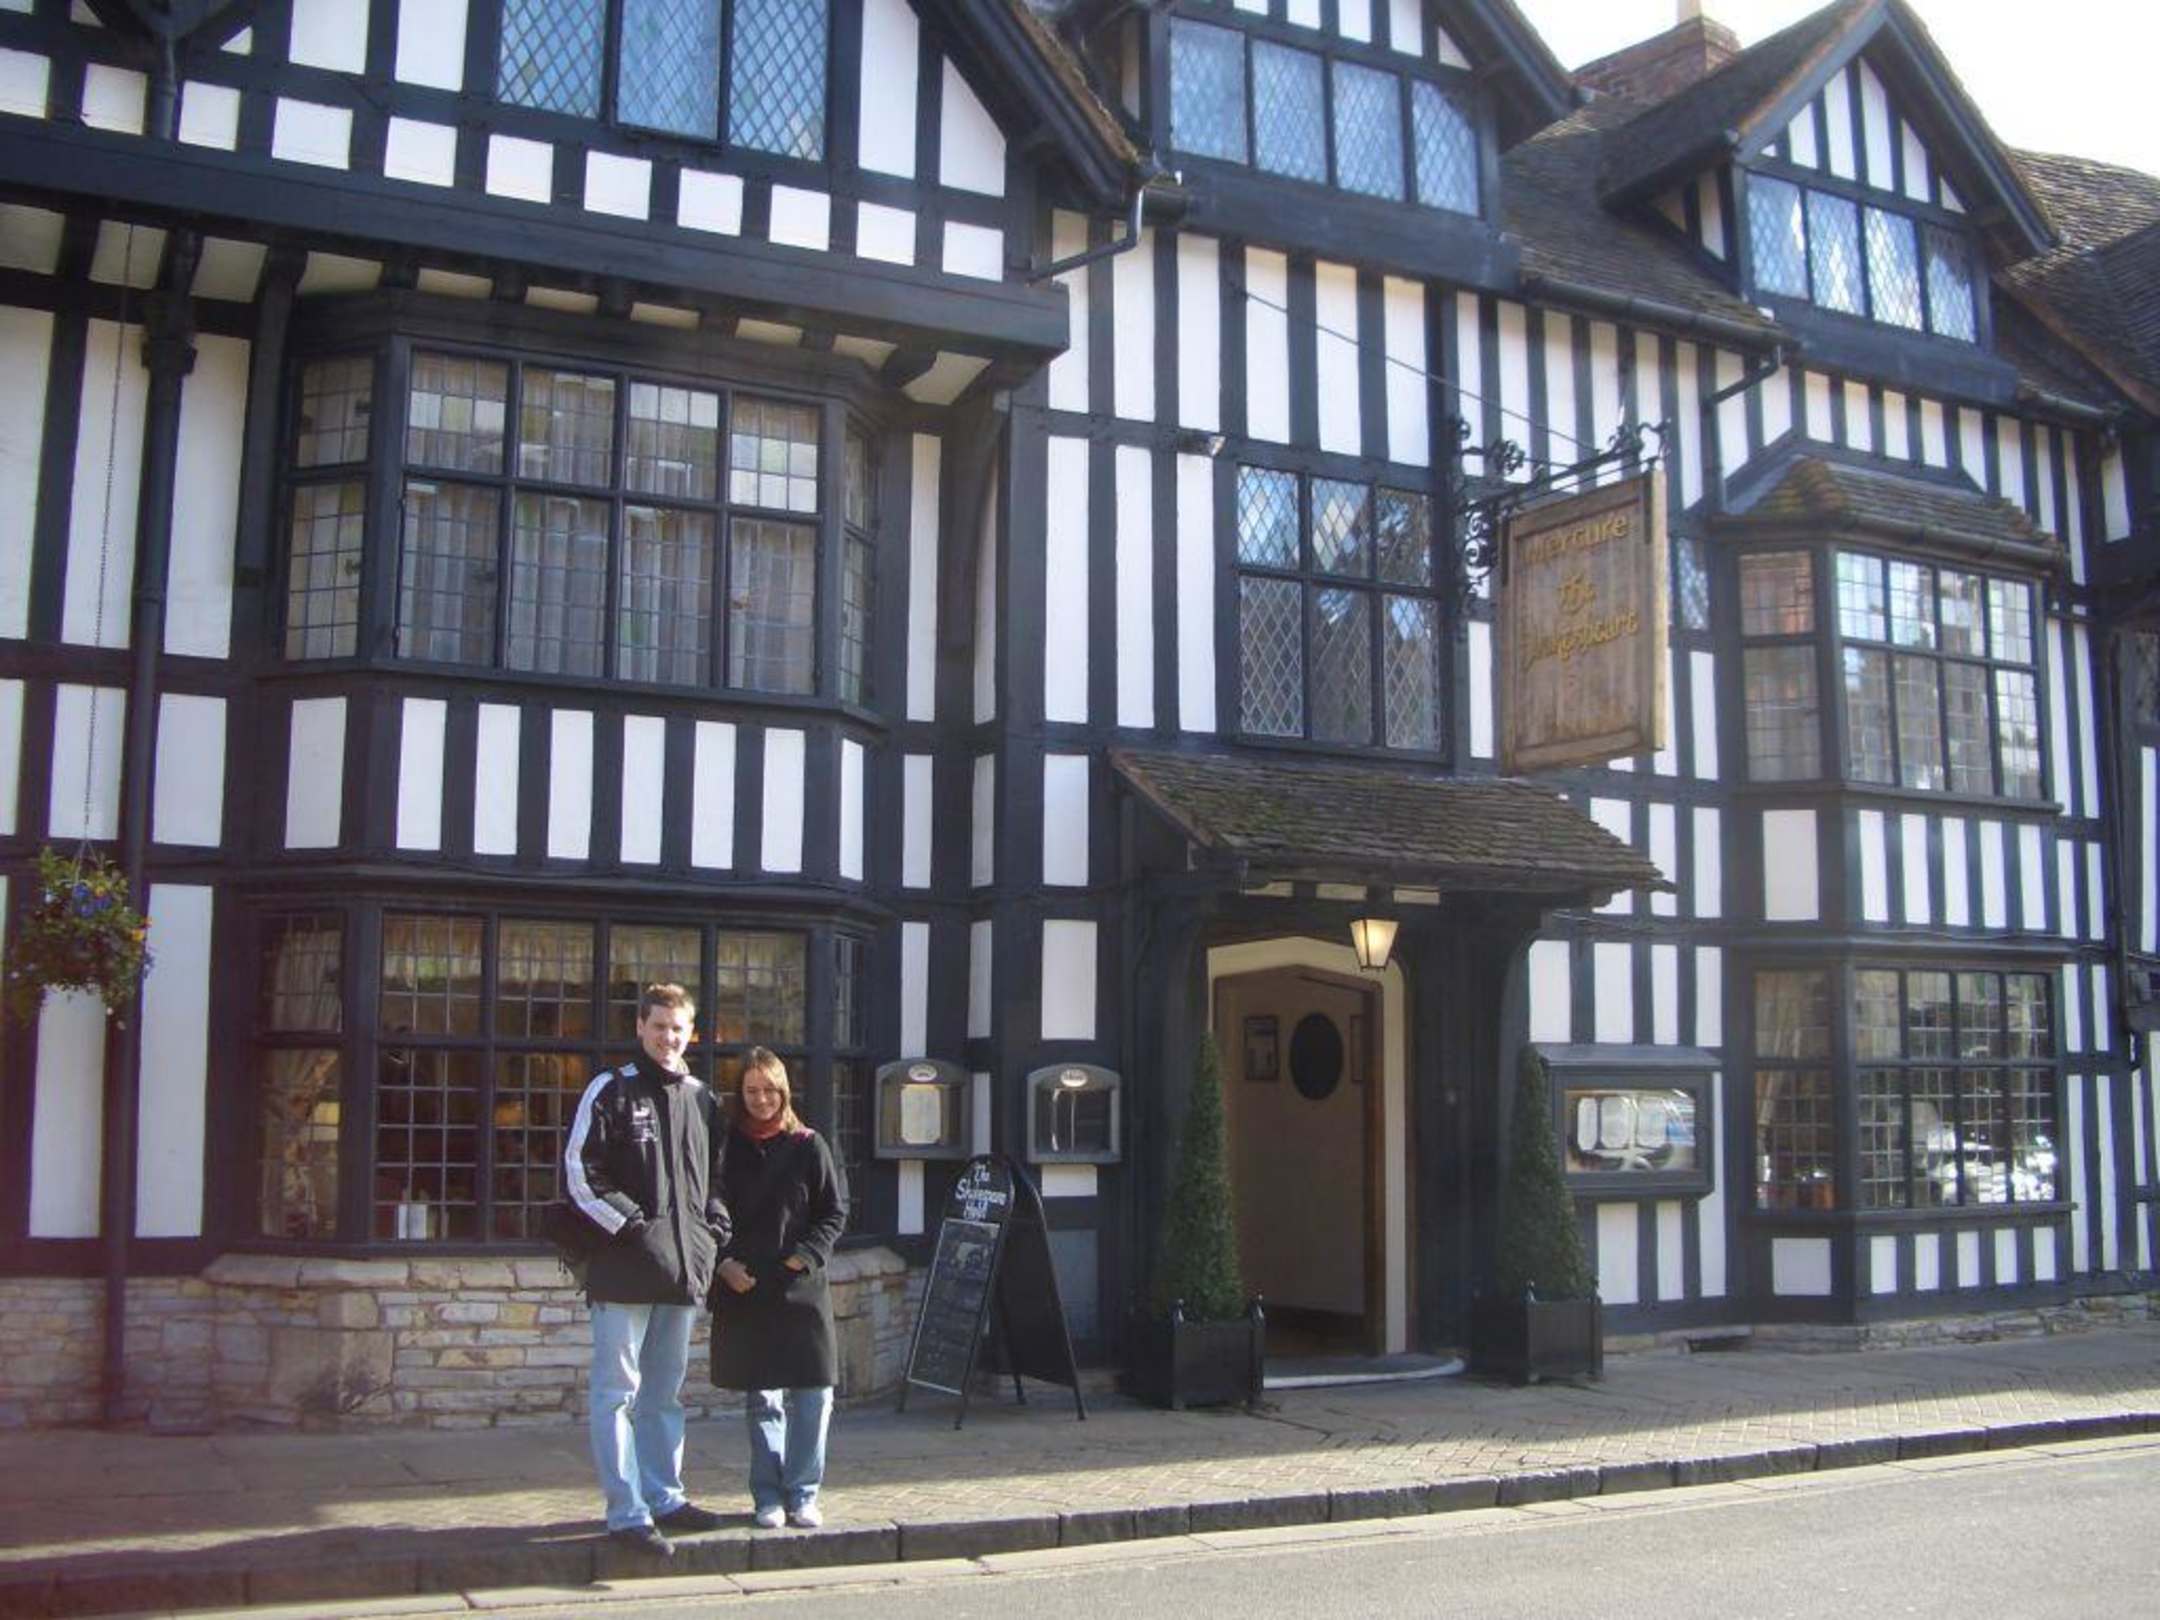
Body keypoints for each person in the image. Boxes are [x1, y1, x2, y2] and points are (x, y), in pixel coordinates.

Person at [564, 982, 730, 1556]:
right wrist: (635, 1228)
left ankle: (665, 1498)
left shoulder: (703, 1099)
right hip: (623, 1270)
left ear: (692, 1033)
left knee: (665, 1394)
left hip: (682, 1273)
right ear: (640, 1027)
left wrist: (714, 1227)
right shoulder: (610, 1090)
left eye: (677, 1028)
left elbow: (717, 1179)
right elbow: (580, 1172)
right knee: (617, 1394)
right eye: (658, 1026)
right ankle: (627, 1511)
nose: (668, 1037)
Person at [710, 1047, 850, 1529]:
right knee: (763, 1399)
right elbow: (709, 1209)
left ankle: (803, 1492)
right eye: (752, 1090)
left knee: (815, 1397)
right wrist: (724, 1263)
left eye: (770, 1089)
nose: (761, 1099)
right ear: (740, 1093)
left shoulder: (809, 1145)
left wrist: (803, 1256)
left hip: (801, 1289)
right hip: (748, 1286)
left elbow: (833, 1212)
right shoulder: (726, 1147)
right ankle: (767, 1496)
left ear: (784, 1091)